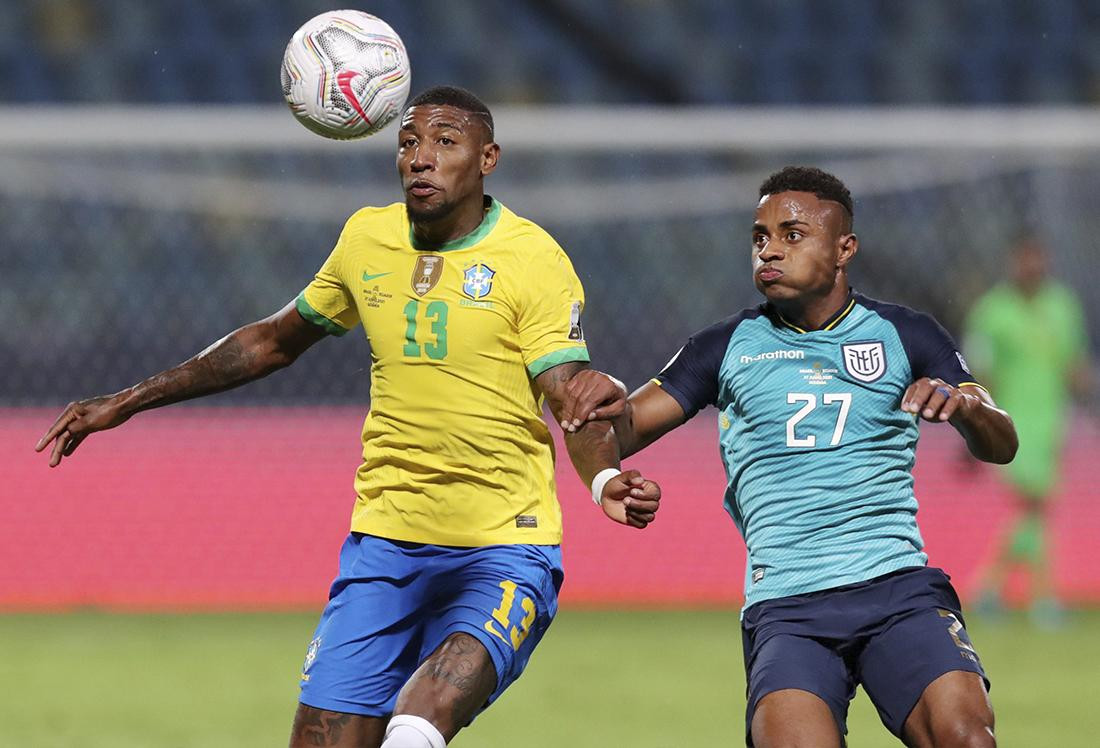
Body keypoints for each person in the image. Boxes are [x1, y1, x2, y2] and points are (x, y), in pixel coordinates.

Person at [34, 86, 660, 748]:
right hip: (384, 549)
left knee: (420, 718)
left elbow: (570, 397)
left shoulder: (532, 259)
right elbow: (272, 341)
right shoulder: (367, 240)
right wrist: (129, 400)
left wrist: (601, 481)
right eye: (409, 142)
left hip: (503, 552)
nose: (420, 157)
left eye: (445, 142)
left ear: (488, 159)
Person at [559, 166, 1018, 747]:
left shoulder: (906, 334)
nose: (769, 250)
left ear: (844, 248)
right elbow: (611, 427)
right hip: (789, 607)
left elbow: (1002, 441)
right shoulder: (725, 347)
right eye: (759, 237)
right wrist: (600, 449)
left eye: (792, 234)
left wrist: (966, 408)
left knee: (966, 738)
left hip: (897, 589)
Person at [966, 236, 1091, 626]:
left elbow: (1074, 364)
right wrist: (975, 422)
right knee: (1034, 503)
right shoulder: (992, 311)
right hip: (1009, 423)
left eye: (1037, 260)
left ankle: (990, 589)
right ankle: (1043, 597)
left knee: (1034, 508)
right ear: (1013, 263)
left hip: (1052, 422)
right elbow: (978, 371)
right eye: (1024, 260)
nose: (1031, 268)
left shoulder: (1062, 305)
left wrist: (1086, 402)